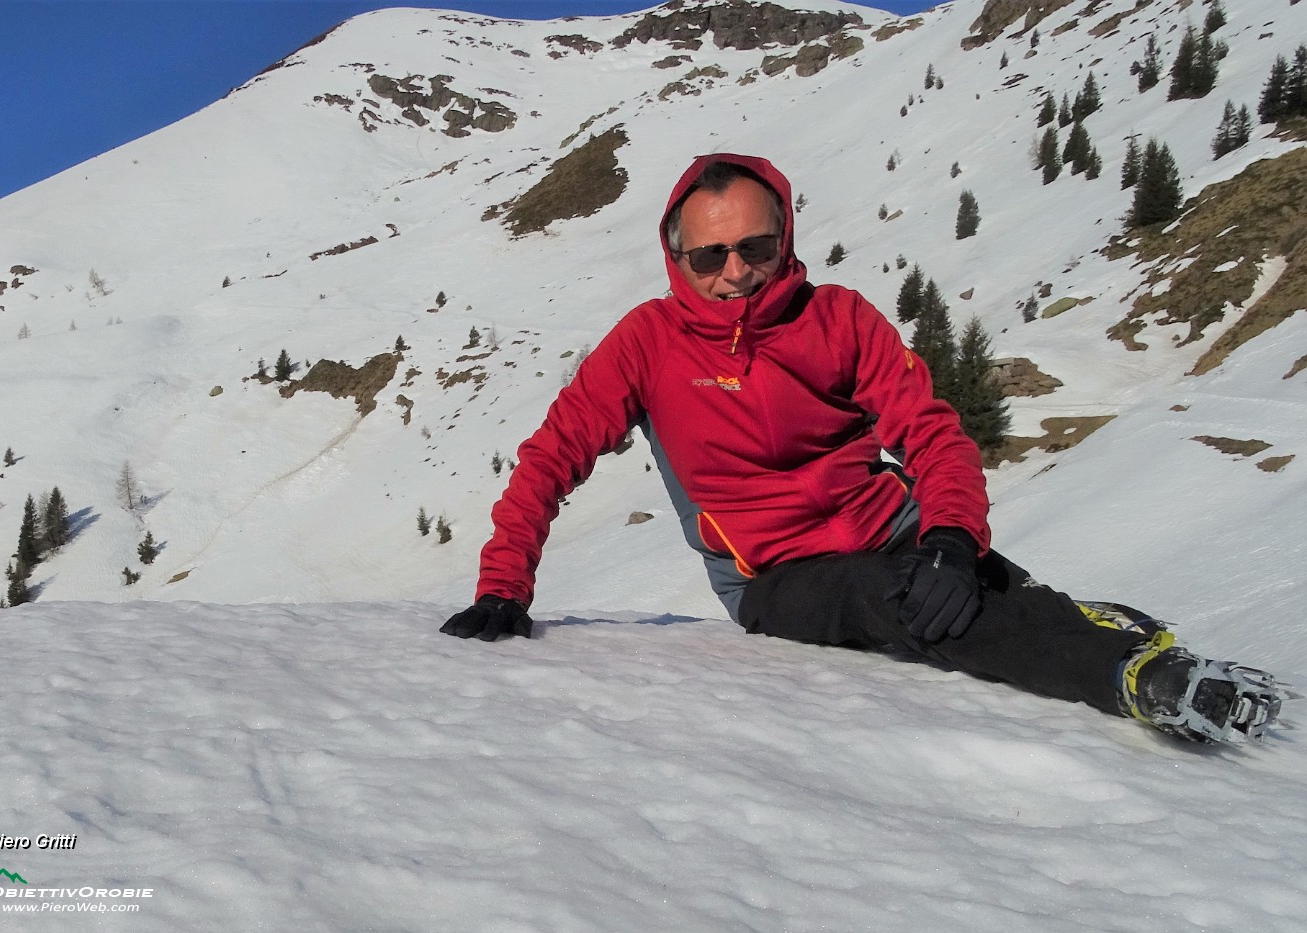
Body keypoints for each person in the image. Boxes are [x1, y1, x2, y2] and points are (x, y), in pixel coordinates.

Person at [440, 153, 1283, 745]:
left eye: (756, 247)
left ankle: (1091, 624)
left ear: (785, 235)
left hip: (898, 525)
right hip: (774, 578)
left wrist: (951, 536)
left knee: (972, 589)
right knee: (905, 602)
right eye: (710, 254)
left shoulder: (836, 317)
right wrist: (504, 584)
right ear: (676, 257)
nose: (736, 271)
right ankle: (1134, 679)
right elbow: (552, 456)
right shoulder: (647, 344)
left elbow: (930, 431)